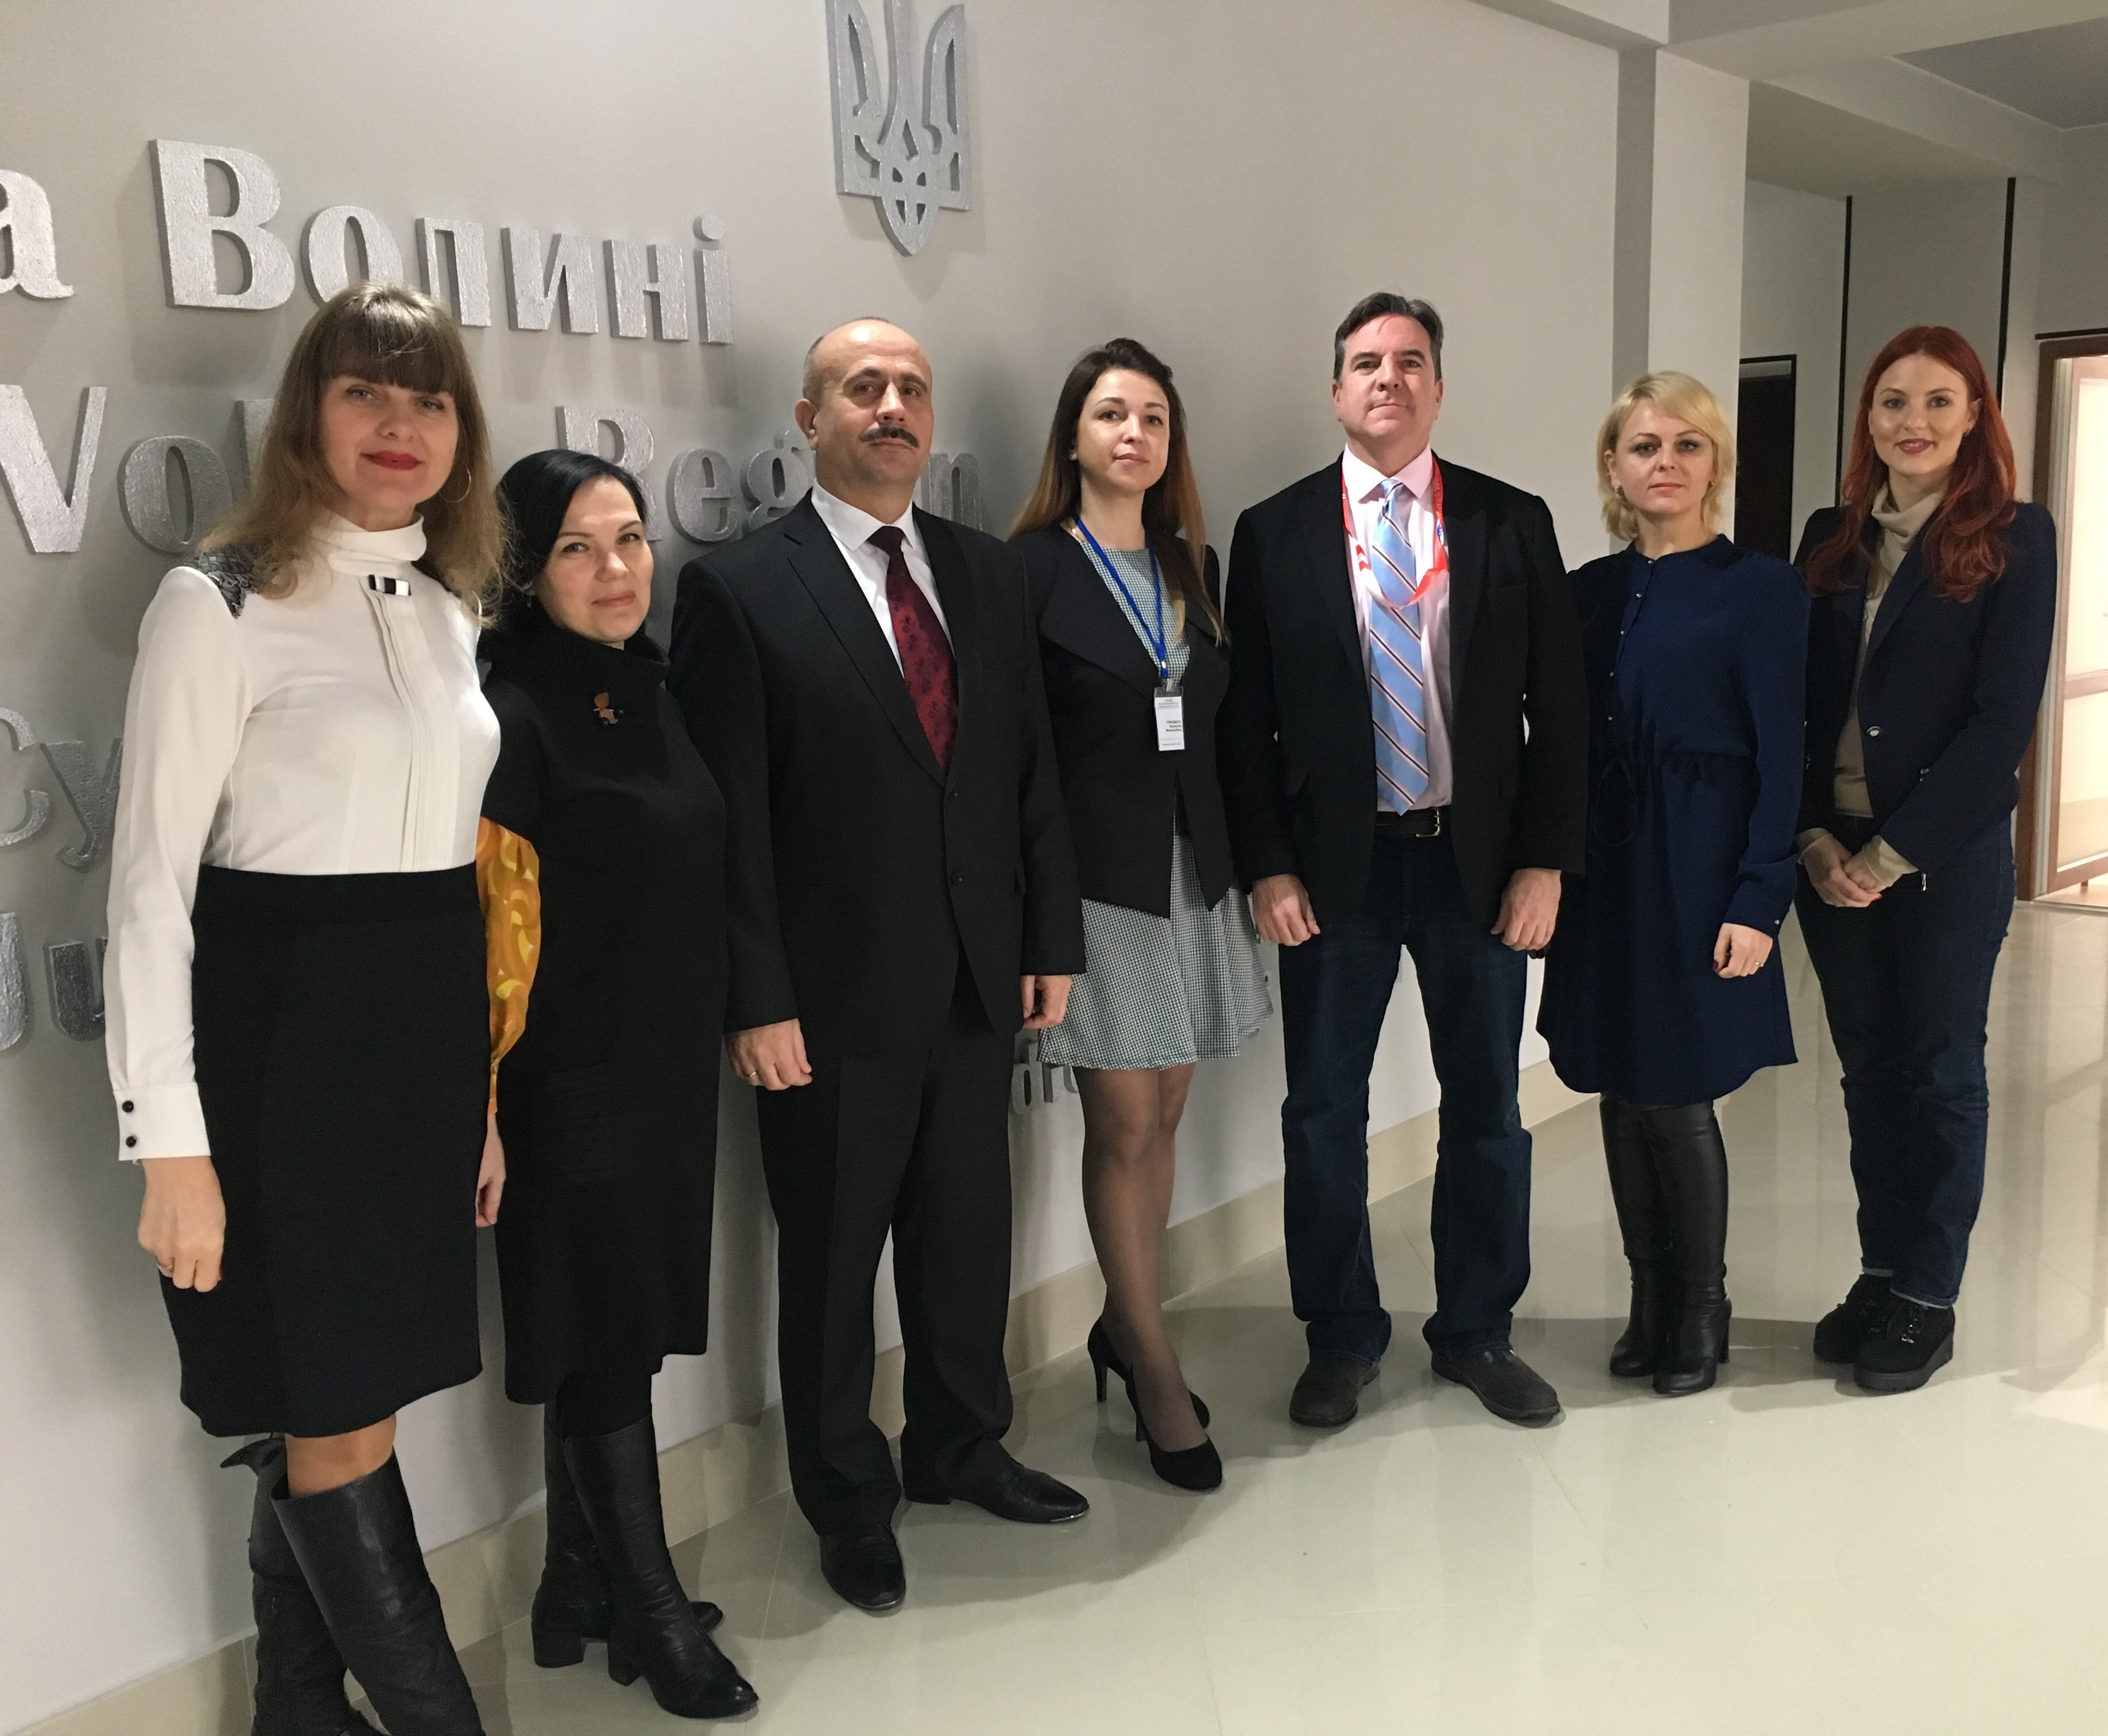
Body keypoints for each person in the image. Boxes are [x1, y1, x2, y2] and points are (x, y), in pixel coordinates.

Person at [106, 284, 504, 1736]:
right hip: (281, 1066)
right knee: (340, 1412)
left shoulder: (454, 609)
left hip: (419, 1058)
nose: (399, 425)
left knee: (338, 1398)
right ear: (306, 418)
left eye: (429, 399)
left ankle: (296, 1708)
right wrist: (170, 1145)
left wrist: (479, 1105)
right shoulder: (217, 601)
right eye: (364, 393)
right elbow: (149, 894)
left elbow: (454, 890)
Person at [669, 319, 1088, 1613]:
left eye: (911, 387)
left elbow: (1026, 771)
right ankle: (848, 1498)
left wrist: (1048, 940)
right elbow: (731, 819)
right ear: (810, 419)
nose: (892, 406)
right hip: (827, 1004)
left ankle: (960, 1444)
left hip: (975, 981)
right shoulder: (741, 589)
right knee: (834, 1264)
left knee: (966, 1239)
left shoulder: (987, 573)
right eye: (863, 388)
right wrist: (755, 999)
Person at [1218, 291, 1588, 1431]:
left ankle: (1478, 1330)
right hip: (1337, 873)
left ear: (1438, 388)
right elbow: (1244, 723)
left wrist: (1545, 863)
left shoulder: (1509, 521)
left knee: (1488, 1107)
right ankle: (1341, 1336)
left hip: (1475, 865)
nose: (1390, 377)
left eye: (1412, 361)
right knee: (1323, 1112)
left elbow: (1561, 709)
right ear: (1337, 390)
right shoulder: (1273, 531)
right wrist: (1268, 866)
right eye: (1368, 362)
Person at [476, 451, 756, 1718]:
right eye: (578, 549)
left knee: (615, 1322)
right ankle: (650, 1610)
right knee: (604, 1339)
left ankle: (571, 1588)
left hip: (660, 1071)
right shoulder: (509, 711)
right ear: (525, 571)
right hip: (568, 1077)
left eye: (631, 539)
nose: (615, 570)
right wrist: (483, 1104)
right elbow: (485, 931)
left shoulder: (649, 686)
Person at [1010, 339, 1269, 1493]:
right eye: (1112, 414)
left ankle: (1125, 1322)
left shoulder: (1192, 564)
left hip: (1193, 869)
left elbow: (1223, 729)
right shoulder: (1027, 570)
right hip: (1093, 881)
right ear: (1073, 438)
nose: (1134, 435)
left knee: (1165, 1110)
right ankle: (1154, 1366)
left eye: (1154, 418)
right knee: (1121, 1123)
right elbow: (1016, 758)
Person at [1794, 325, 2056, 1394]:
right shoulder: (1830, 537)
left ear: (1975, 416)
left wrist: (1893, 854)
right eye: (1893, 401)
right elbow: (1797, 701)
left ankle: (1929, 1294)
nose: (1914, 421)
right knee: (1868, 1072)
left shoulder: (2017, 537)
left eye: (1939, 401)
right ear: (1867, 418)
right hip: (1831, 855)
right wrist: (1813, 836)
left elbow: (2002, 723)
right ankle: (1882, 1270)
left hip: (1942, 860)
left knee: (1942, 1071)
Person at [1538, 373, 1807, 1397]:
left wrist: (1760, 896)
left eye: (1688, 445)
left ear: (1716, 465)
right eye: (1645, 445)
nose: (1666, 462)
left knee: (1678, 1088)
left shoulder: (1762, 588)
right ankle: (1649, 1298)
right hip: (1606, 864)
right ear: (1613, 466)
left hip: (1700, 861)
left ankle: (1702, 1305)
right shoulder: (1586, 591)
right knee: (1620, 1082)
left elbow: (1782, 753)